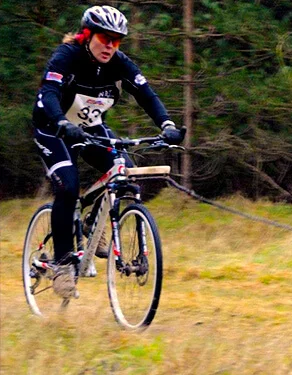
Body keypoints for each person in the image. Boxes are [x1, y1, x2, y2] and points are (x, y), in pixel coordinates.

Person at [32, 5, 184, 299]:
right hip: (54, 127)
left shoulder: (119, 63)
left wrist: (167, 124)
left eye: (118, 39)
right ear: (87, 35)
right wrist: (61, 121)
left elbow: (146, 94)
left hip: (89, 127)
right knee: (68, 186)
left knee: (123, 171)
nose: (111, 45)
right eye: (105, 37)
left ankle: (95, 224)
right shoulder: (67, 56)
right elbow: (48, 93)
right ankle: (63, 265)